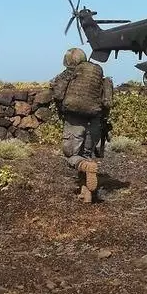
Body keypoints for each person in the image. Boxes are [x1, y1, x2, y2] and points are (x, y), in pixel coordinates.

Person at [50, 48, 113, 204]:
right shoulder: (98, 75)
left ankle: (85, 166)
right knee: (87, 154)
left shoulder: (69, 74)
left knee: (72, 155)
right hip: (95, 120)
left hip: (74, 119)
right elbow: (107, 102)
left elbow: (57, 93)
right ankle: (87, 194)